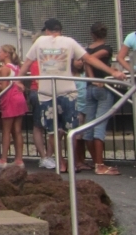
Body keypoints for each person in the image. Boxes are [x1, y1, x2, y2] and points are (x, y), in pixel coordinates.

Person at [20, 18, 125, 173]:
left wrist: (17, 80)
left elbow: (27, 63)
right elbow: (89, 59)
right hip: (67, 91)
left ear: (47, 31)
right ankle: (70, 162)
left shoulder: (40, 41)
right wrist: (113, 72)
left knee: (53, 131)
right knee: (71, 129)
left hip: (47, 92)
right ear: (60, 30)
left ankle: (62, 162)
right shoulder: (69, 41)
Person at [80, 22, 118, 175]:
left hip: (89, 87)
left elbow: (86, 60)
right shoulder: (106, 49)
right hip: (103, 87)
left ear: (92, 34)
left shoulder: (87, 50)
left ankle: (97, 161)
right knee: (99, 126)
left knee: (89, 125)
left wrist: (90, 78)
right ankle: (100, 165)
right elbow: (90, 60)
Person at [0, 44, 27, 168]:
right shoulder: (17, 67)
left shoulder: (5, 69)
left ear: (6, 54)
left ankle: (3, 159)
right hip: (19, 98)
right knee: (17, 130)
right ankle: (19, 159)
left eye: (0, 52)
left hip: (9, 99)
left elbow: (4, 88)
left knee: (6, 130)